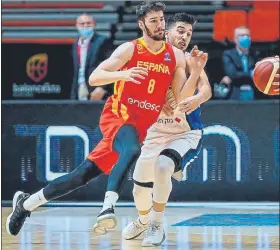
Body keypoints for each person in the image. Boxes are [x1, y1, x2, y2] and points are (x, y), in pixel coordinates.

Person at [6, 1, 206, 236]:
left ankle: (25, 204)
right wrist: (125, 73)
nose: (160, 24)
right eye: (154, 20)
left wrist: (196, 70)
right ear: (142, 24)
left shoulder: (174, 56)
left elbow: (180, 99)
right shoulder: (130, 49)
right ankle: (107, 208)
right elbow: (94, 77)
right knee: (131, 150)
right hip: (119, 116)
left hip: (140, 127)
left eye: (161, 19)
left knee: (81, 176)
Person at [121, 13, 212, 247]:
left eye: (189, 33)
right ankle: (143, 220)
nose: (185, 36)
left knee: (163, 166)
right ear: (167, 32)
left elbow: (207, 89)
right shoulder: (149, 58)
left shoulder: (190, 59)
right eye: (181, 31)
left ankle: (156, 225)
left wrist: (197, 98)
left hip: (185, 133)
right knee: (139, 190)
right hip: (155, 133)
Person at [71, 13, 113, 101]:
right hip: (80, 86)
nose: (85, 26)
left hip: (96, 89)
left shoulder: (102, 41)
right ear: (77, 26)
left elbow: (112, 65)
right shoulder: (76, 43)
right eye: (82, 24)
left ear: (94, 24)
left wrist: (102, 88)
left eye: (88, 23)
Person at [217, 26, 261, 100]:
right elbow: (232, 73)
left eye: (247, 35)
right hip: (235, 95)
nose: (245, 38)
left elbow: (260, 75)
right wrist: (251, 74)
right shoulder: (228, 54)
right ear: (235, 39)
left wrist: (238, 76)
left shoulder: (255, 54)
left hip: (254, 95)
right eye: (242, 35)